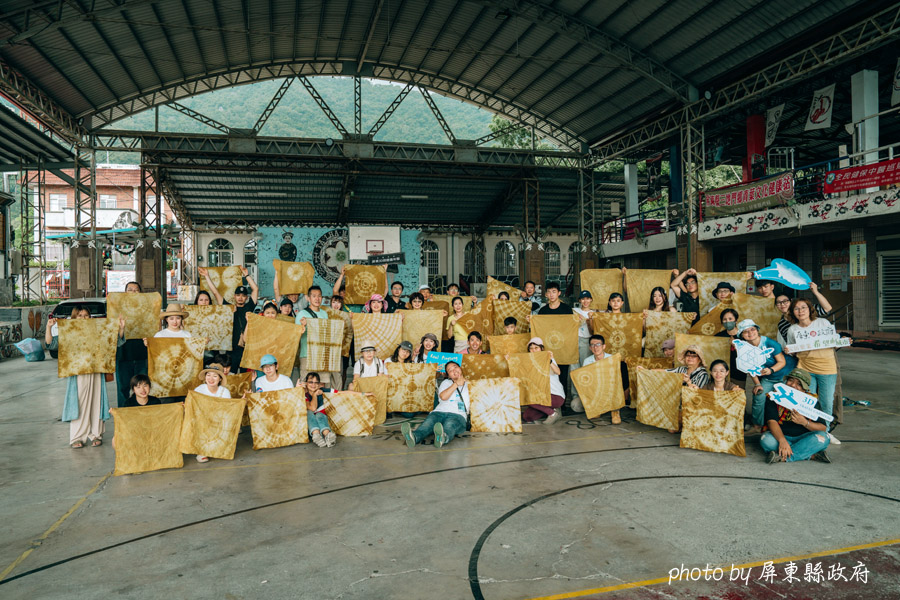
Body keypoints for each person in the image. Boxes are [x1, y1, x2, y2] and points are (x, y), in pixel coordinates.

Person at [49, 305, 111, 448]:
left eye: (86, 315)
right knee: (79, 402)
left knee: (97, 401)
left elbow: (114, 342)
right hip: (78, 372)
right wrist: (49, 328)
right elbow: (51, 344)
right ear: (74, 317)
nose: (83, 318)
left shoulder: (97, 331)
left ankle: (96, 434)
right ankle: (77, 437)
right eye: (80, 315)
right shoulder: (68, 332)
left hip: (96, 370)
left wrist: (119, 328)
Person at [785, 298, 846, 445]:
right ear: (793, 312)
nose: (800, 311)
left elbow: (832, 342)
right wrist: (789, 351)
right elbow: (793, 351)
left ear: (810, 309)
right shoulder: (793, 329)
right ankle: (808, 432)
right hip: (805, 369)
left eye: (803, 307)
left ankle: (825, 432)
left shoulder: (822, 323)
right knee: (807, 403)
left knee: (826, 402)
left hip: (827, 368)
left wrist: (843, 340)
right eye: (796, 309)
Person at [760, 368, 831, 464]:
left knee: (824, 438)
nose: (793, 385)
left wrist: (805, 423)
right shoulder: (775, 396)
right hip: (781, 436)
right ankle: (809, 454)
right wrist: (782, 440)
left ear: (805, 389)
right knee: (766, 440)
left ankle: (783, 457)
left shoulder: (811, 401)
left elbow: (822, 428)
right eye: (790, 380)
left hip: (804, 438)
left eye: (799, 384)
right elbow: (771, 421)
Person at [400, 360, 469, 449]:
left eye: (455, 367)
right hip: (439, 412)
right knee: (426, 425)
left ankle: (443, 438)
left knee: (450, 426)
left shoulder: (471, 384)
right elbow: (443, 397)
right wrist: (456, 384)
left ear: (460, 368)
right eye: (450, 370)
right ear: (448, 375)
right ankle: (414, 437)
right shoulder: (446, 383)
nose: (454, 371)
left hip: (458, 415)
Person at [737, 319, 788, 432]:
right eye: (745, 332)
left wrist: (771, 370)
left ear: (757, 330)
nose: (750, 333)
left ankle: (783, 426)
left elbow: (782, 362)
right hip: (768, 378)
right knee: (758, 396)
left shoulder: (769, 343)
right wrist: (757, 384)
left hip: (785, 376)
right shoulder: (744, 348)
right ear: (742, 335)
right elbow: (750, 368)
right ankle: (757, 425)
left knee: (785, 399)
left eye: (752, 329)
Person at [533, 281, 574, 391]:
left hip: (563, 347)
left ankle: (563, 403)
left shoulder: (567, 309)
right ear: (546, 294)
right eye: (549, 292)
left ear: (559, 293)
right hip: (548, 347)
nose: (551, 294)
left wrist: (576, 321)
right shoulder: (543, 311)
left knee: (563, 376)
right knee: (548, 375)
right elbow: (539, 327)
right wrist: (532, 321)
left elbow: (570, 327)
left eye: (554, 292)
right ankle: (550, 402)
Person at [295, 285, 339, 386]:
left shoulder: (324, 314)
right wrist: (303, 325)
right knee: (306, 384)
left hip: (322, 355)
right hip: (307, 354)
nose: (317, 299)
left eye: (319, 296)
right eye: (314, 296)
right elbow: (296, 335)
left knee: (321, 384)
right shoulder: (302, 314)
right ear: (308, 298)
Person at [114, 281, 148, 408]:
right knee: (123, 389)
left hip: (142, 355)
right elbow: (112, 334)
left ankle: (139, 413)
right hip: (123, 355)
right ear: (125, 293)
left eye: (136, 290)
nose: (133, 292)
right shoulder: (118, 310)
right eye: (130, 290)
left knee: (142, 388)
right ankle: (123, 415)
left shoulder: (147, 310)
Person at [516, 337, 564, 425]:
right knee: (527, 417)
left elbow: (558, 372)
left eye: (536, 348)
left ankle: (552, 413)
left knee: (528, 397)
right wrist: (509, 360)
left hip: (555, 395)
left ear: (541, 349)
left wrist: (549, 361)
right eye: (531, 348)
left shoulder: (548, 358)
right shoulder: (529, 362)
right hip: (540, 396)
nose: (533, 350)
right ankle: (553, 410)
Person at [577, 334, 622, 423]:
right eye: (592, 345)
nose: (595, 347)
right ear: (590, 347)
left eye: (598, 344)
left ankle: (615, 411)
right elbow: (585, 378)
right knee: (576, 405)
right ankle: (597, 409)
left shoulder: (611, 359)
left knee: (616, 386)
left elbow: (617, 377)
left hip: (609, 387)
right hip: (595, 388)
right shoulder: (587, 361)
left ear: (603, 346)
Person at [192, 363, 231, 463]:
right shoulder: (199, 390)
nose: (211, 378)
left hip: (219, 420)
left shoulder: (224, 391)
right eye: (208, 375)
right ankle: (202, 450)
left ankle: (219, 445)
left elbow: (228, 409)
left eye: (215, 376)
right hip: (203, 421)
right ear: (205, 377)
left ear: (220, 379)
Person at [229, 273, 259, 373]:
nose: (240, 297)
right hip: (232, 349)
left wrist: (247, 275)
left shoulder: (249, 307)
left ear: (246, 297)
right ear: (234, 296)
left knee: (245, 377)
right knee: (231, 375)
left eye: (243, 295)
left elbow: (255, 289)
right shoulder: (229, 308)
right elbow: (216, 294)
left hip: (246, 349)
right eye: (238, 295)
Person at [299, 372, 337, 448]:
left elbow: (342, 393)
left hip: (323, 420)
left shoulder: (323, 390)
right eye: (310, 382)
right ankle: (316, 435)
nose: (313, 385)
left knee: (320, 414)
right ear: (306, 383)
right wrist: (314, 395)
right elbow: (313, 408)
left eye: (316, 383)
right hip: (311, 424)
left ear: (319, 385)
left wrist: (362, 394)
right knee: (309, 412)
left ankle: (327, 435)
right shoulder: (303, 394)